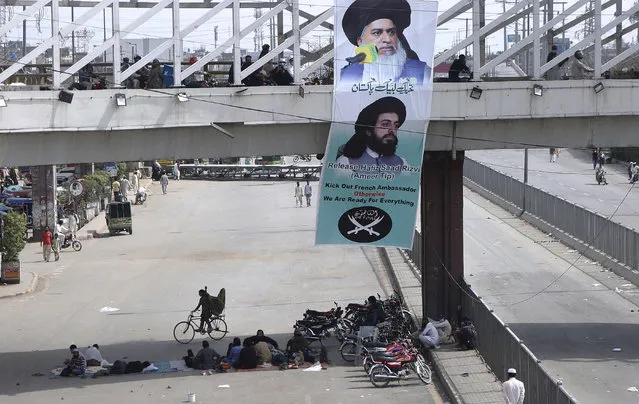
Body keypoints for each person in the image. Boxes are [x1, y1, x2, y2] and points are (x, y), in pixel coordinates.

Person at [339, 0, 431, 86]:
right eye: (377, 33)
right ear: (360, 41)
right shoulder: (348, 75)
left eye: (391, 32)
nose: (387, 39)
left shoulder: (421, 72)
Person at [336, 96, 408, 172]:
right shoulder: (345, 163)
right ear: (368, 131)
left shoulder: (402, 164)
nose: (392, 130)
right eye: (386, 124)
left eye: (396, 125)